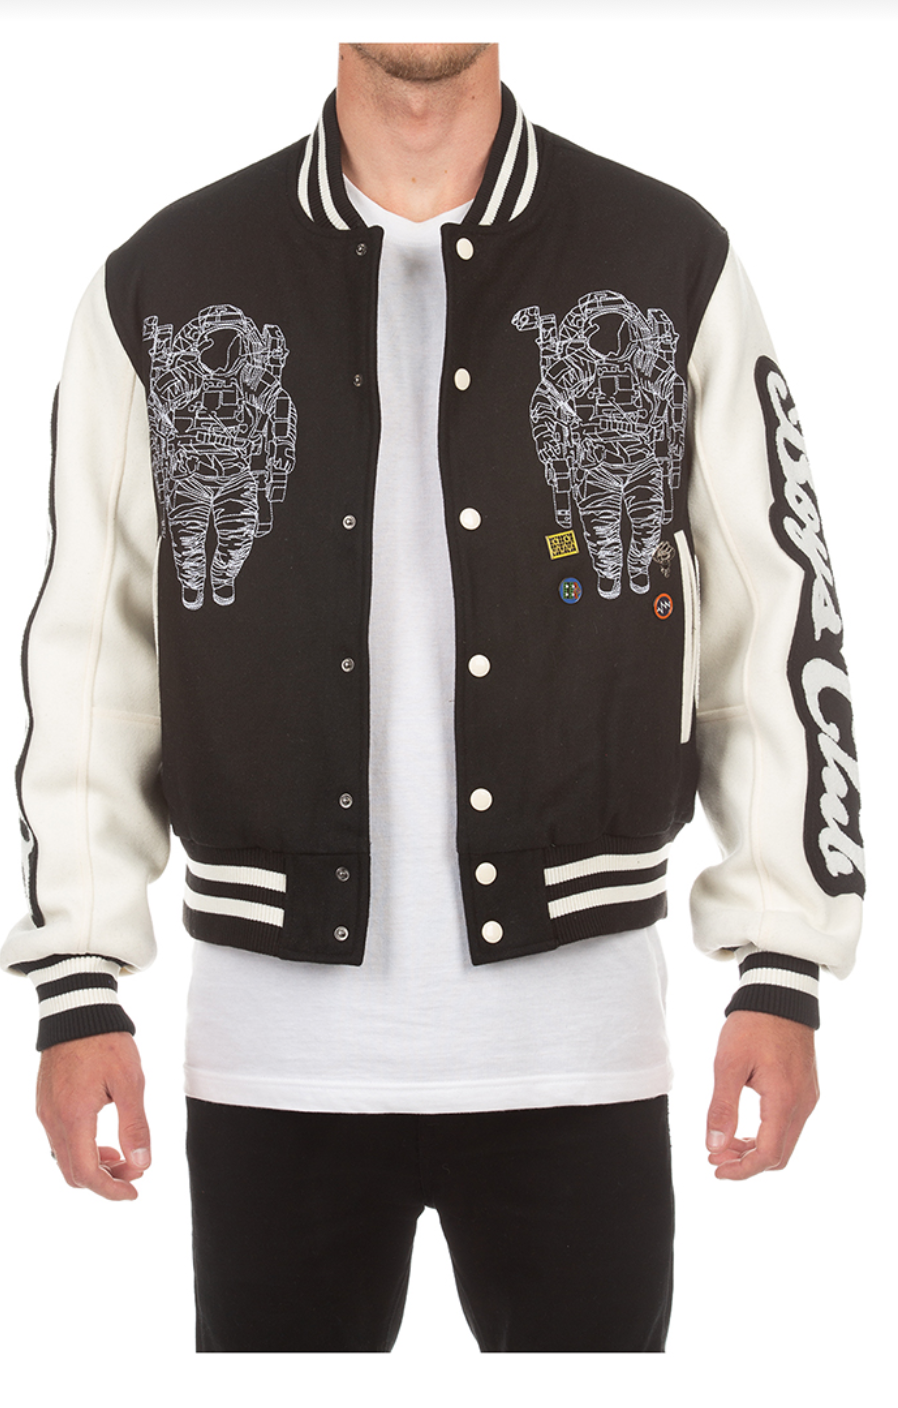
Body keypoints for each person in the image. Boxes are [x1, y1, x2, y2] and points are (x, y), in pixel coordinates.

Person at [1, 41, 864, 1353]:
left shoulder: (664, 256)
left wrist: (783, 963)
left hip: (579, 1050)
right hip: (271, 1063)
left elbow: (775, 612)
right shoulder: (168, 279)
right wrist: (77, 982)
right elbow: (88, 658)